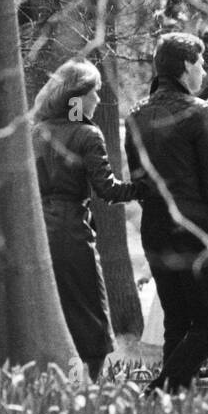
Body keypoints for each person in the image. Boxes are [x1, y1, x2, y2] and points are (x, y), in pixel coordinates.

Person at [126, 32, 208, 393]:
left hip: (154, 228)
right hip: (193, 229)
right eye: (200, 63)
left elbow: (139, 181)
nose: (203, 70)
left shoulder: (135, 114)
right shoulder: (197, 111)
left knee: (177, 323)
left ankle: (170, 405)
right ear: (186, 66)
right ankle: (162, 389)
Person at [32, 59, 141, 382]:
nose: (99, 100)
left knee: (58, 308)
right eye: (95, 92)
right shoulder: (86, 133)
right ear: (78, 98)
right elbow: (107, 189)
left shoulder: (36, 132)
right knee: (91, 310)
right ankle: (92, 387)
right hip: (72, 230)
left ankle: (58, 381)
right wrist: (145, 187)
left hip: (41, 231)